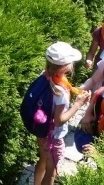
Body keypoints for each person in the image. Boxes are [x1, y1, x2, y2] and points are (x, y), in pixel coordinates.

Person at [34, 42, 91, 185]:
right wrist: (78, 104)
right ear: (66, 66)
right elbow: (59, 120)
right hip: (54, 136)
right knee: (51, 170)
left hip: (41, 130)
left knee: (43, 159)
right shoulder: (60, 92)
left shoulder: (44, 75)